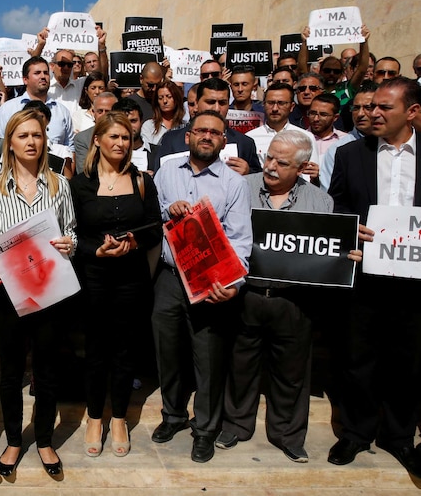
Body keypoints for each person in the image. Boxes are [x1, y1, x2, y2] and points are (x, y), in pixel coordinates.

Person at [217, 131, 353, 464]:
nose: (272, 167)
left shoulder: (320, 201)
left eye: (282, 162)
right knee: (240, 365)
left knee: (292, 372)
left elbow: (327, 253)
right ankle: (235, 425)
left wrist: (346, 255)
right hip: (245, 293)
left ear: (303, 166)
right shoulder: (240, 187)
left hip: (295, 301)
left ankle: (288, 436)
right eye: (269, 158)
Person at [327, 77, 421, 477]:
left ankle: (399, 436)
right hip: (365, 273)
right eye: (370, 107)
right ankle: (356, 431)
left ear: (412, 112)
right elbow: (338, 208)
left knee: (409, 359)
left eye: (385, 107)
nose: (372, 113)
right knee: (358, 357)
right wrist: (352, 230)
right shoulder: (351, 154)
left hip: (416, 282)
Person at [0, 109, 76, 478]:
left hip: (50, 289)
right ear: (11, 143)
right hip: (7, 292)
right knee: (11, 371)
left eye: (37, 135)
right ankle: (15, 439)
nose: (31, 142)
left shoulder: (60, 185)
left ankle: (46, 439)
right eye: (23, 136)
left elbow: (73, 232)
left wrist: (70, 244)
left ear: (44, 140)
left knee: (47, 369)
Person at [151, 111, 252, 464]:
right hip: (169, 277)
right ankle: (173, 416)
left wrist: (234, 283)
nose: (207, 136)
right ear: (188, 135)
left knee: (207, 358)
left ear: (224, 141)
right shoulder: (165, 173)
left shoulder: (235, 184)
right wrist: (168, 209)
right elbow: (154, 214)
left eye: (215, 132)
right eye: (201, 131)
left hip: (212, 280)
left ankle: (205, 429)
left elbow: (241, 240)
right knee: (168, 351)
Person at [70, 112, 162, 458]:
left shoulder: (141, 180)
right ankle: (95, 417)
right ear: (98, 140)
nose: (121, 144)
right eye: (114, 137)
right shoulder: (79, 184)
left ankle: (120, 417)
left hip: (131, 278)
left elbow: (155, 227)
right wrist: (97, 249)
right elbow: (72, 234)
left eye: (126, 138)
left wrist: (135, 244)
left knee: (125, 351)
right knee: (96, 351)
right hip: (93, 277)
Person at [0, 56, 75, 152]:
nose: (43, 76)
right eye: (37, 73)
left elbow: (70, 150)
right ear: (25, 80)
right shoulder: (6, 110)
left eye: (46, 73)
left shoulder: (62, 111)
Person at [143, 80, 186, 147]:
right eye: (160, 98)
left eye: (169, 97)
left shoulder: (185, 126)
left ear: (176, 98)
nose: (165, 101)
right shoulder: (149, 126)